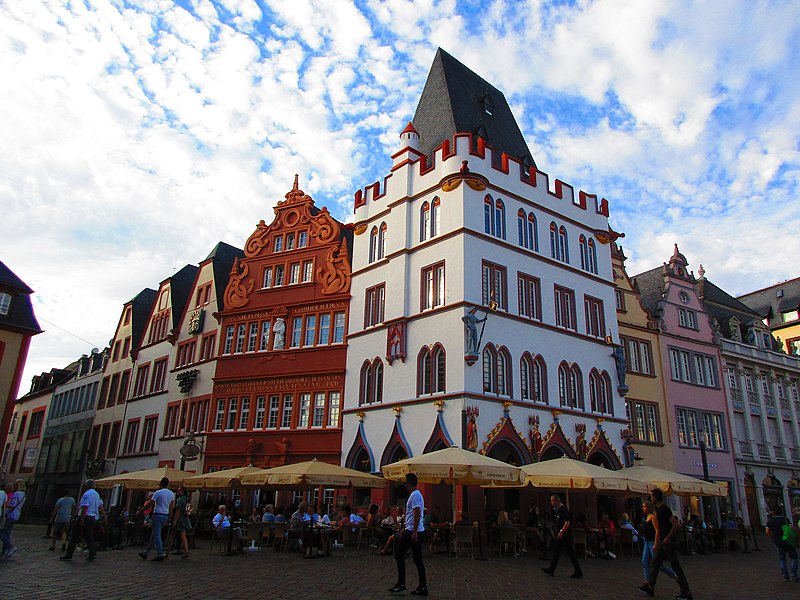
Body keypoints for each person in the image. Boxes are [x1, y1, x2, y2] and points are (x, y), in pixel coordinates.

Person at [636, 488, 693, 600]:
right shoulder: (656, 510)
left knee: (676, 566)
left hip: (668, 543)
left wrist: (668, 538)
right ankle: (650, 587)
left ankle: (686, 592)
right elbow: (658, 529)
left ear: (656, 497)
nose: (651, 498)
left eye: (652, 496)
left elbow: (675, 524)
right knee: (654, 563)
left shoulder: (664, 509)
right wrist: (657, 542)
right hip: (662, 543)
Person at [389, 473, 428, 596]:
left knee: (399, 554)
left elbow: (416, 514)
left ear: (409, 483)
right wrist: (405, 526)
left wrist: (414, 532)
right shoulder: (416, 495)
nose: (404, 484)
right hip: (413, 529)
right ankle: (422, 587)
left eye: (406, 482)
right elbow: (412, 515)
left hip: (413, 531)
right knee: (417, 559)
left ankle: (401, 584)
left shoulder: (415, 495)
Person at [59, 480, 104, 562]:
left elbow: (85, 506)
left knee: (74, 536)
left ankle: (69, 555)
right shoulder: (96, 494)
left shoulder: (87, 494)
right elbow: (98, 506)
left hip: (86, 516)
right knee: (88, 536)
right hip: (92, 517)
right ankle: (92, 553)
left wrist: (82, 518)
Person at [541, 494, 582, 579]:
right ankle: (551, 569)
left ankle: (578, 571)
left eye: (552, 501)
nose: (551, 503)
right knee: (556, 551)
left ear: (557, 501)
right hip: (561, 536)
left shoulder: (563, 510)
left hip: (566, 536)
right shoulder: (558, 511)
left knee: (571, 553)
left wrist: (561, 531)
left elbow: (567, 523)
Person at [639, 500, 676, 583]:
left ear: (649, 508)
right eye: (643, 507)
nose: (643, 508)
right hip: (647, 541)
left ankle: (674, 575)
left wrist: (656, 543)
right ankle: (647, 581)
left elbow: (657, 531)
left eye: (644, 507)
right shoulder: (646, 517)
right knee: (644, 562)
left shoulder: (653, 517)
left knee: (659, 564)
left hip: (652, 541)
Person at [138, 477, 174, 561]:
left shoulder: (158, 493)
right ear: (168, 484)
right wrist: (170, 517)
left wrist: (141, 511)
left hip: (157, 514)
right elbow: (171, 507)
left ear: (161, 484)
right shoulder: (171, 494)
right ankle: (146, 552)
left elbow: (150, 504)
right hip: (165, 515)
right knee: (154, 535)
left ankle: (160, 553)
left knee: (157, 534)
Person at [765, 506, 799, 582]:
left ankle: (785, 576)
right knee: (794, 557)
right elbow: (790, 528)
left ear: (773, 512)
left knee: (782, 558)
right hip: (787, 539)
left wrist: (772, 537)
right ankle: (793, 574)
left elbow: (767, 531)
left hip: (778, 541)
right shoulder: (784, 519)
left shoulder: (770, 521)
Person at [1, 480, 27, 559]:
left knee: (2, 533)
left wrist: (5, 506)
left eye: (16, 484)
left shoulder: (16, 494)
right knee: (7, 533)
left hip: (11, 515)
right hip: (16, 515)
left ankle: (10, 547)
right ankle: (5, 550)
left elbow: (12, 505)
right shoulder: (23, 495)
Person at [165, 486, 191, 559]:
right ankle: (186, 552)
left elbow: (178, 511)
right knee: (183, 536)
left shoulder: (180, 500)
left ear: (183, 492)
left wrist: (174, 521)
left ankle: (167, 553)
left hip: (179, 520)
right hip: (184, 520)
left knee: (172, 536)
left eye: (179, 490)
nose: (178, 492)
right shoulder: (186, 499)